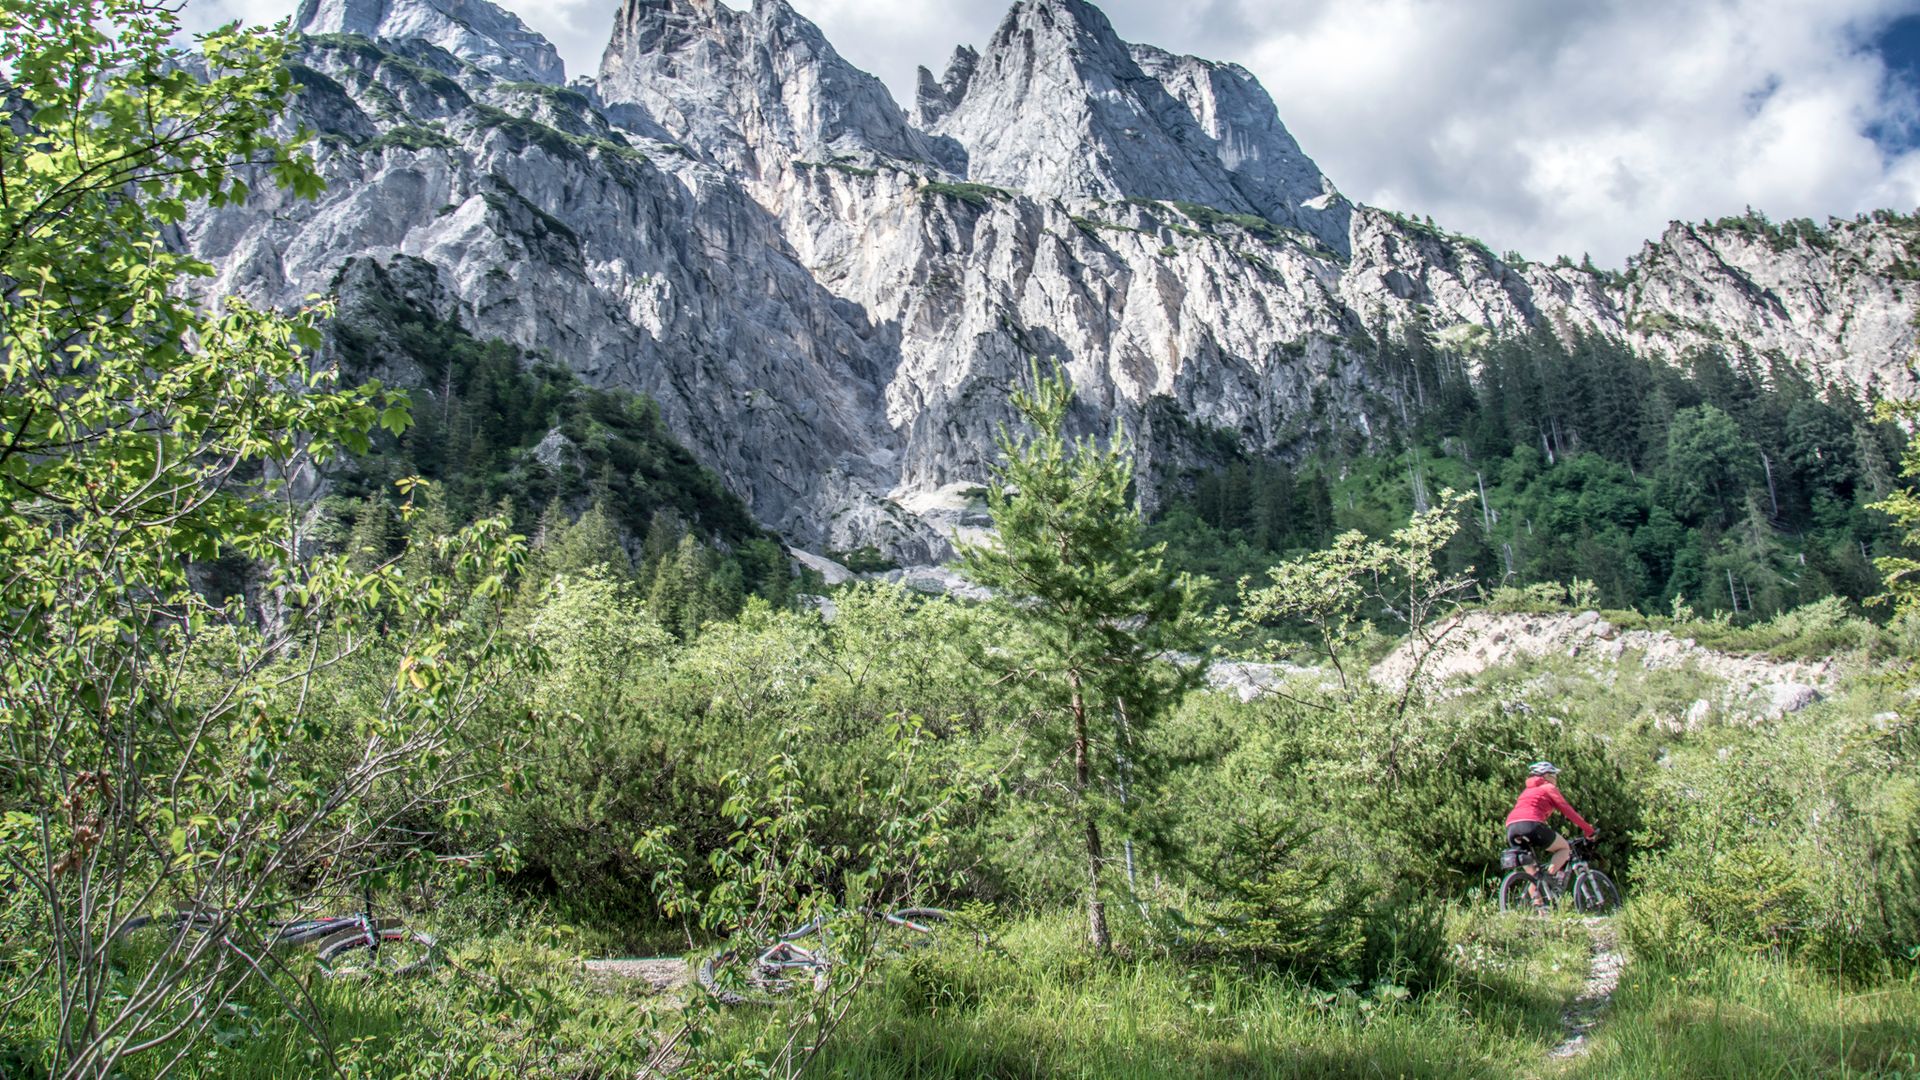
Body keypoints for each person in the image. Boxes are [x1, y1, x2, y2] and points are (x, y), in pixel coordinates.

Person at [1504, 761, 1596, 885]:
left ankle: (1538, 903)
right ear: (1546, 775)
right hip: (1531, 824)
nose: (1556, 778)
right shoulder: (1548, 787)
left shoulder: (1526, 791)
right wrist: (1588, 829)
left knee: (1534, 875)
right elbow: (1567, 810)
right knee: (1564, 848)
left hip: (1511, 828)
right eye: (1554, 774)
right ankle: (1548, 878)